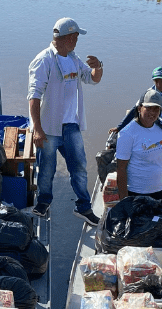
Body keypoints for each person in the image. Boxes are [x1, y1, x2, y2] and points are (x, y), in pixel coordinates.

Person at [28, 17, 103, 225]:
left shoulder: (73, 58)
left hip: (71, 125)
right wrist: (37, 129)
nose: (77, 40)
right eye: (76, 36)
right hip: (49, 127)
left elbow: (92, 78)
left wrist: (99, 67)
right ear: (68, 37)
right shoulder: (44, 60)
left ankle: (83, 207)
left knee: (79, 167)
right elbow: (33, 97)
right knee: (47, 169)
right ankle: (43, 202)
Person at [114, 89, 162, 205]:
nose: (152, 113)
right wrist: (124, 202)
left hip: (161, 191)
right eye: (148, 108)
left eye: (156, 109)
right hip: (136, 194)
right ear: (139, 108)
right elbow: (121, 169)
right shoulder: (127, 133)